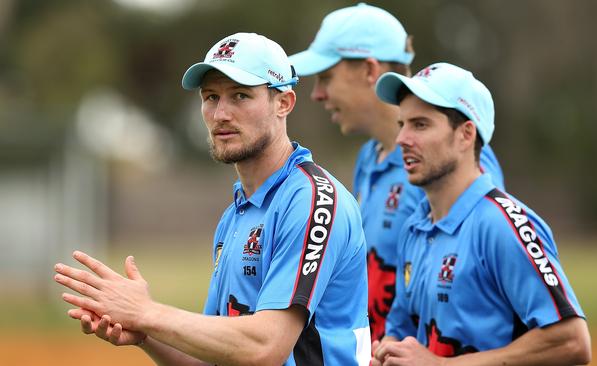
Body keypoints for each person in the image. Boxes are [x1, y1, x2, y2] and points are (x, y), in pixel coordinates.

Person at [53, 32, 371, 366]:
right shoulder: (235, 216)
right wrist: (144, 333)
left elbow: (266, 347)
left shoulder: (312, 199)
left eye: (240, 96)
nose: (220, 114)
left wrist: (147, 312)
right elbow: (216, 358)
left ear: (283, 103)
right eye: (211, 97)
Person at [289, 3, 506, 343]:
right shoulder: (367, 159)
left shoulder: (455, 155)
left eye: (326, 78)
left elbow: (481, 280)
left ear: (369, 70)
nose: (316, 94)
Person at [369, 62, 591, 365]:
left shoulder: (502, 224)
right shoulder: (415, 227)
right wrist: (388, 350)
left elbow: (572, 341)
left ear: (465, 135)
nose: (402, 140)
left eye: (420, 125)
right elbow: (401, 327)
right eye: (402, 125)